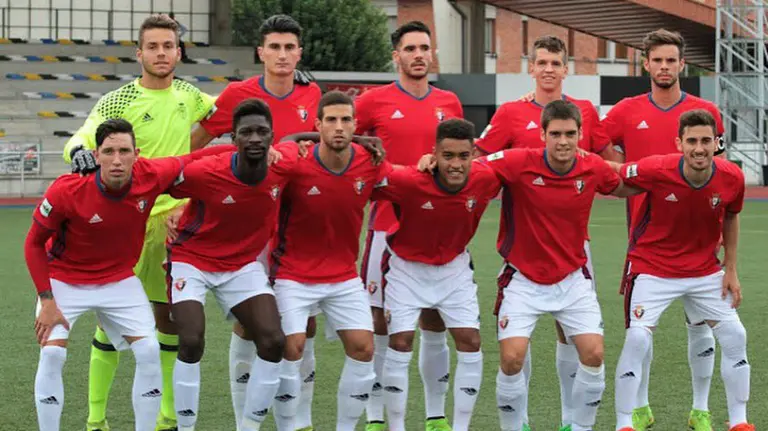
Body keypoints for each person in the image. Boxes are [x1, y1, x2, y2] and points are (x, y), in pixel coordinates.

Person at [62, 13, 215, 431]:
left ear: (178, 53)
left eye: (168, 46)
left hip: (170, 221)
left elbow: (226, 114)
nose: (161, 53)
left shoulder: (191, 96)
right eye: (153, 46)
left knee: (167, 319)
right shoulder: (119, 100)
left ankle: (167, 417)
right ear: (139, 53)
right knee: (110, 321)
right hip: (124, 219)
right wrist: (79, 152)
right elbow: (84, 135)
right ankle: (96, 420)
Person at [25, 119, 228, 431]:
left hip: (118, 279)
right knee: (52, 354)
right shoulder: (68, 189)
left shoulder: (151, 175)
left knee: (149, 351)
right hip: (64, 280)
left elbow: (194, 158)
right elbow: (33, 244)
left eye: (124, 151)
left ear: (137, 154)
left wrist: (245, 150)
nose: (117, 160)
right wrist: (47, 300)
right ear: (96, 155)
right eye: (109, 152)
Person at [474, 34, 618, 431]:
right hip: (526, 246)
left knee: (572, 335)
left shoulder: (584, 111)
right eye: (542, 62)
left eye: (556, 63)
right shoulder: (510, 113)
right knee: (516, 347)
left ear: (566, 69)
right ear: (532, 67)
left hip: (574, 247)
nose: (549, 69)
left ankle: (571, 419)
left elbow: (611, 165)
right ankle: (518, 421)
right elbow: (479, 160)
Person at [189, 16, 322, 430]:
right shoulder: (237, 95)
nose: (282, 55)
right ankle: (243, 421)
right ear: (260, 52)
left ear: (299, 53)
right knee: (250, 324)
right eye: (274, 47)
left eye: (289, 47)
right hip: (251, 226)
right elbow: (194, 146)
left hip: (301, 224)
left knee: (304, 324)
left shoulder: (312, 92)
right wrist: (185, 201)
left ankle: (299, 420)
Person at [601, 28, 726, 431]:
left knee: (701, 326)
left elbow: (721, 170)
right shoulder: (626, 111)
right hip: (647, 240)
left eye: (671, 59)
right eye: (657, 60)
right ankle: (639, 407)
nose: (665, 66)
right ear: (646, 64)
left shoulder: (706, 111)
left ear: (682, 64)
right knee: (640, 331)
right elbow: (595, 143)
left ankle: (700, 409)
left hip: (700, 241)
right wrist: (620, 166)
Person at [612, 109, 753, 431]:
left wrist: (731, 269)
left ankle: (739, 422)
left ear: (716, 143)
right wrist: (575, 163)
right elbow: (616, 176)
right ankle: (625, 422)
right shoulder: (656, 168)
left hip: (704, 270)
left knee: (735, 335)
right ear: (679, 143)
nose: (699, 148)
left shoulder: (732, 176)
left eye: (706, 141)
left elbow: (732, 216)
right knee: (637, 338)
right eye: (692, 141)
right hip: (652, 266)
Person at [354, 21, 463, 431]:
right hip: (386, 226)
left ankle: (435, 416)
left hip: (438, 229)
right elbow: (343, 140)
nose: (419, 55)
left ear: (432, 54)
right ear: (396, 56)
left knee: (434, 321)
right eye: (410, 48)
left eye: (424, 48)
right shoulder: (372, 101)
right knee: (380, 321)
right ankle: (376, 417)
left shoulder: (449, 102)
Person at [168, 99, 302, 431]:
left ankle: (248, 427)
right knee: (191, 340)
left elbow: (298, 140)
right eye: (246, 132)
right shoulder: (207, 170)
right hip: (192, 260)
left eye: (262, 132)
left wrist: (362, 140)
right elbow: (161, 176)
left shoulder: (283, 163)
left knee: (274, 341)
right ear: (233, 138)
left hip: (241, 265)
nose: (255, 138)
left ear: (272, 136)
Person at [269, 91, 392, 430]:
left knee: (364, 348)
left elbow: (404, 182)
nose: (339, 127)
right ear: (318, 125)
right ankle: (289, 427)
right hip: (292, 274)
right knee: (291, 347)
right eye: (331, 120)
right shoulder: (296, 162)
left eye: (346, 120)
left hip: (343, 277)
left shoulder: (369, 162)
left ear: (355, 125)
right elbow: (275, 154)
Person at [372, 119, 497, 431]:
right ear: (434, 154)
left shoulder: (485, 178)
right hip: (406, 269)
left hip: (454, 268)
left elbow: (522, 164)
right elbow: (362, 178)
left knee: (470, 341)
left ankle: (458, 426)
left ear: (474, 155)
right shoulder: (408, 180)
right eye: (447, 156)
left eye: (463, 156)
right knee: (400, 342)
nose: (455, 164)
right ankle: (396, 426)